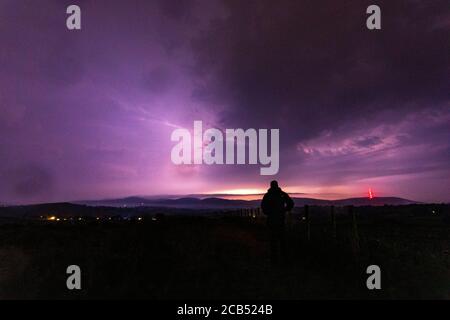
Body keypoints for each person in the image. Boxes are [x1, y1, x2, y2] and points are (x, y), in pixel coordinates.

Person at [261, 180, 294, 264]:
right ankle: (284, 259)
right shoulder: (282, 194)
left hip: (272, 221)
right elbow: (291, 203)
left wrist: (269, 213)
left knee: (273, 241)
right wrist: (285, 210)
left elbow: (263, 207)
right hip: (280, 220)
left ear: (271, 186)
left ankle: (274, 260)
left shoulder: (267, 195)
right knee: (282, 241)